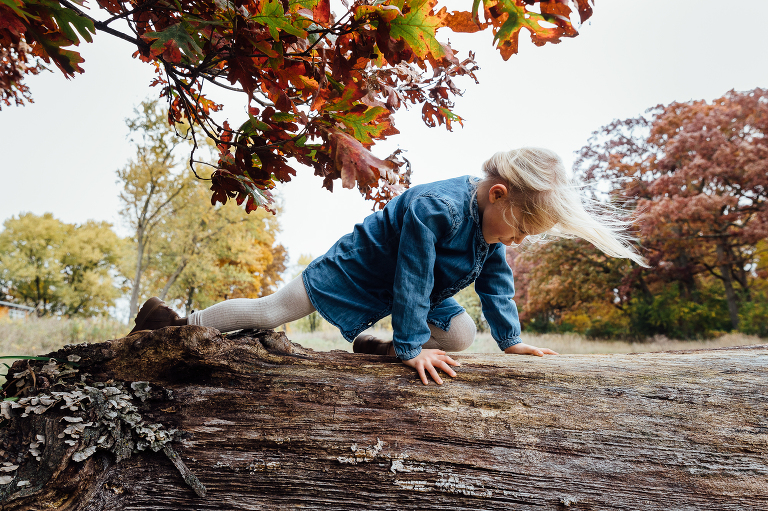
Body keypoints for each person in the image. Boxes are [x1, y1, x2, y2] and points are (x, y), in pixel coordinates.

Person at [129, 147, 646, 385]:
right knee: (270, 312)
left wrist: (509, 339)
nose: (517, 239)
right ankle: (174, 324)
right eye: (521, 229)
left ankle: (372, 346)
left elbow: (495, 280)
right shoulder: (435, 208)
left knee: (462, 335)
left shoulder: (492, 226)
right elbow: (412, 277)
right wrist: (409, 351)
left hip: (419, 291)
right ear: (498, 194)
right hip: (360, 270)